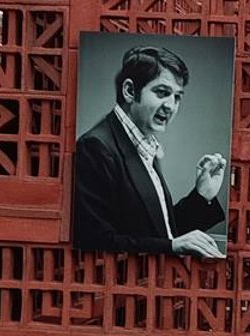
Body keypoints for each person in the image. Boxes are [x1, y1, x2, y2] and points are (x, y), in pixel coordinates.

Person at [73, 44, 228, 257]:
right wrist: (171, 247)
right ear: (130, 91)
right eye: (162, 93)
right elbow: (96, 243)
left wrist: (202, 196)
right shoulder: (95, 147)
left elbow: (157, 229)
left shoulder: (143, 141)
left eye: (177, 97)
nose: (171, 106)